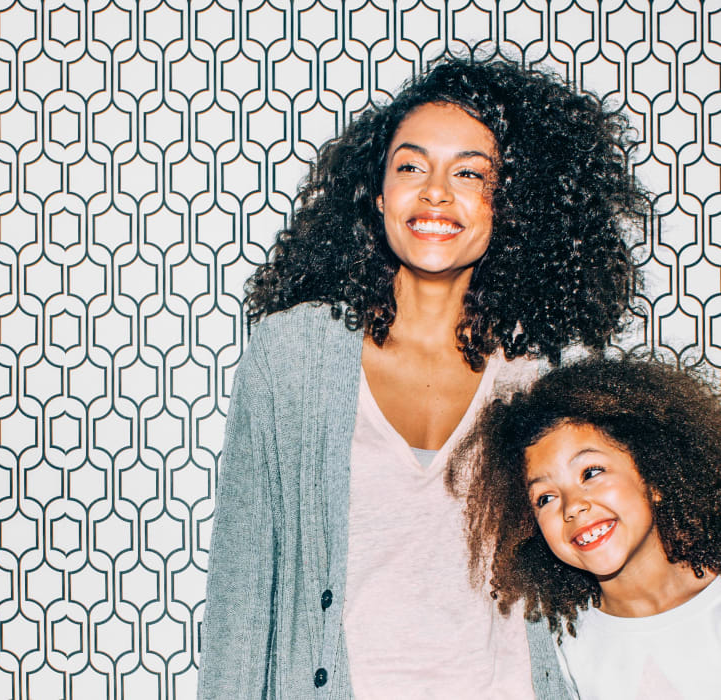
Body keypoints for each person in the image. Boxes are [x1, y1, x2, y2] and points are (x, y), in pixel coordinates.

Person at [197, 57, 647, 699]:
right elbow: (244, 578)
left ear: (506, 205)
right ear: (379, 193)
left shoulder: (547, 366)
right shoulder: (293, 351)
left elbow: (610, 546)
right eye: (412, 166)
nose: (436, 191)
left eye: (470, 173)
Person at [448, 358, 721, 698]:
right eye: (545, 497)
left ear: (653, 475)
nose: (572, 504)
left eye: (591, 473)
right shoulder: (560, 646)